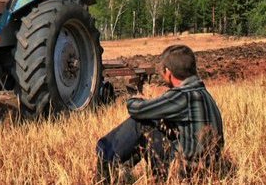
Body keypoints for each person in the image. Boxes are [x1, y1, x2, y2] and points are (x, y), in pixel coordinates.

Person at [96, 44, 224, 181]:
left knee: (142, 123)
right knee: (157, 123)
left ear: (168, 72)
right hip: (207, 170)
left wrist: (135, 100)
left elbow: (137, 109)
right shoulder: (203, 93)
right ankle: (123, 167)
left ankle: (105, 158)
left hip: (184, 173)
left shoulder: (183, 96)